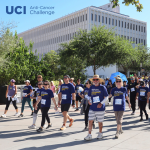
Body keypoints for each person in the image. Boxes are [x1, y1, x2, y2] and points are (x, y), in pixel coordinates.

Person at [84, 75, 108, 141]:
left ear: (99, 80)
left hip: (100, 108)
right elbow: (88, 96)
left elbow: (106, 97)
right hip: (92, 107)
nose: (95, 81)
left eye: (96, 80)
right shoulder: (91, 87)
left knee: (100, 122)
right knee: (90, 121)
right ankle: (89, 135)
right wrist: (89, 100)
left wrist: (101, 103)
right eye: (94, 80)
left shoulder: (102, 87)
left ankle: (100, 133)